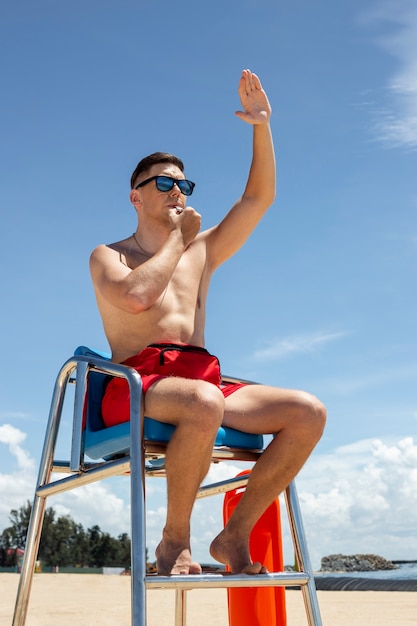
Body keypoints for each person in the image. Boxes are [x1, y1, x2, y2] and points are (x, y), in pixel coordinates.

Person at [89, 69, 326, 576]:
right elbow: (136, 299)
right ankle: (174, 542)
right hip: (136, 380)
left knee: (308, 411)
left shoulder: (202, 250)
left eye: (184, 183)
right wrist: (178, 240)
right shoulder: (110, 255)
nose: (178, 191)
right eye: (165, 183)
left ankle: (233, 535)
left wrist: (262, 125)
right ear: (136, 196)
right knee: (203, 400)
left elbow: (257, 200)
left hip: (202, 376)